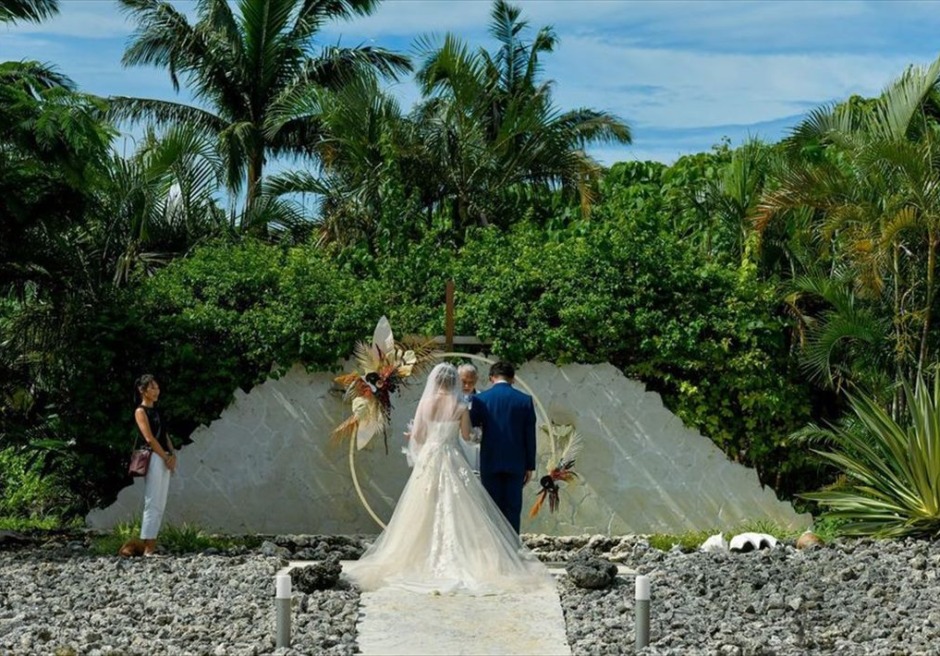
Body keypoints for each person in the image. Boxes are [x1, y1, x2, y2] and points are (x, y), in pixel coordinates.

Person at [344, 363, 550, 594]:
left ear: (435, 381)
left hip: (431, 460)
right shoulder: (460, 405)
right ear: (453, 381)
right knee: (461, 507)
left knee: (423, 509)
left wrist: (424, 447)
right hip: (452, 458)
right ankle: (477, 556)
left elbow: (419, 436)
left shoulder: (425, 403)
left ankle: (421, 556)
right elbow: (468, 437)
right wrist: (479, 435)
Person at [470, 361, 536, 534]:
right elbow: (530, 435)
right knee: (513, 507)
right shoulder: (525, 401)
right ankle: (513, 547)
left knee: (491, 506)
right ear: (513, 379)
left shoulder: (480, 399)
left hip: (490, 460)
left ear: (491, 378)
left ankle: (495, 547)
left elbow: (472, 426)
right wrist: (530, 465)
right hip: (516, 462)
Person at [134, 374, 176, 556]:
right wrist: (164, 456)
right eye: (152, 388)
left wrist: (172, 454)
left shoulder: (158, 411)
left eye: (157, 387)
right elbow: (149, 438)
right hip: (153, 456)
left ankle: (152, 543)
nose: (156, 391)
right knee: (152, 500)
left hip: (164, 455)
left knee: (161, 500)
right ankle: (148, 547)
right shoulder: (140, 411)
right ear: (142, 390)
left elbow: (164, 435)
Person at [456, 363, 481, 472]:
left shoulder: (483, 399)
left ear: (476, 380)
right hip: (457, 447)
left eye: (471, 383)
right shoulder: (451, 400)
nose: (467, 386)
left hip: (477, 449)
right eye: (464, 382)